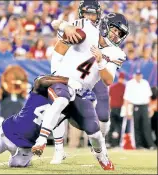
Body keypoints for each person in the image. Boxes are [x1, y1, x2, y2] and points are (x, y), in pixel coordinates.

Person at [32, 12, 129, 171]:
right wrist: (66, 26)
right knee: (60, 101)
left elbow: (108, 80)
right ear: (105, 25)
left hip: (81, 92)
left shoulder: (117, 53)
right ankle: (41, 141)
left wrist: (100, 62)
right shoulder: (87, 28)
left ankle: (103, 158)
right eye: (114, 29)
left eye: (119, 33)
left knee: (95, 132)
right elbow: (56, 23)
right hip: (63, 81)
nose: (116, 34)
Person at [49, 0, 102, 164]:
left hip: (84, 77)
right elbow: (55, 23)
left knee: (90, 108)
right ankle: (58, 149)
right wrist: (65, 26)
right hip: (65, 72)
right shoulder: (76, 25)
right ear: (81, 13)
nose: (90, 17)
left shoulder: (99, 32)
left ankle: (95, 142)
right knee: (58, 107)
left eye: (92, 13)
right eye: (87, 13)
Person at [123, 70, 156, 149]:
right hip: (135, 106)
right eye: (137, 75)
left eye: (139, 75)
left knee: (146, 125)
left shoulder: (145, 83)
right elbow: (126, 98)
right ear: (134, 75)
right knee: (137, 126)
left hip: (144, 106)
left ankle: (150, 145)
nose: (138, 76)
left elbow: (149, 97)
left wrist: (150, 108)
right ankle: (139, 145)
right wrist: (127, 110)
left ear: (141, 75)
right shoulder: (130, 84)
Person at [108, 72, 126, 147]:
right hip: (120, 109)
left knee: (112, 126)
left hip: (113, 108)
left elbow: (109, 99)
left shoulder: (112, 87)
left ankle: (109, 142)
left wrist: (109, 108)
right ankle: (117, 143)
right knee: (119, 126)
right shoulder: (125, 87)